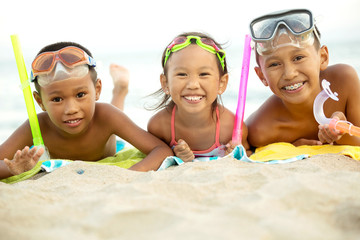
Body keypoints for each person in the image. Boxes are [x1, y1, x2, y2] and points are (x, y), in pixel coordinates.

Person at [0, 42, 173, 179]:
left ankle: (120, 90)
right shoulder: (36, 125)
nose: (71, 109)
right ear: (40, 101)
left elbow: (161, 150)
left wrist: (129, 174)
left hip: (109, 141)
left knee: (110, 114)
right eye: (57, 99)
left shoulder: (106, 115)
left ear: (97, 90)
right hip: (98, 122)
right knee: (99, 115)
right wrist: (12, 168)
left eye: (81, 94)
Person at [246, 9, 360, 148]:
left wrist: (342, 134)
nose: (289, 74)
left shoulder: (344, 81)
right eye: (274, 64)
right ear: (262, 76)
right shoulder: (261, 130)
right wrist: (290, 147)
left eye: (298, 58)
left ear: (322, 57)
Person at [147, 32, 250, 162]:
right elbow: (157, 153)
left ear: (221, 83)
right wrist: (175, 154)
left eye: (203, 74)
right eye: (182, 74)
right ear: (165, 83)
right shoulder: (159, 126)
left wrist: (236, 154)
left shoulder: (232, 127)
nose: (193, 85)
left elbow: (248, 152)